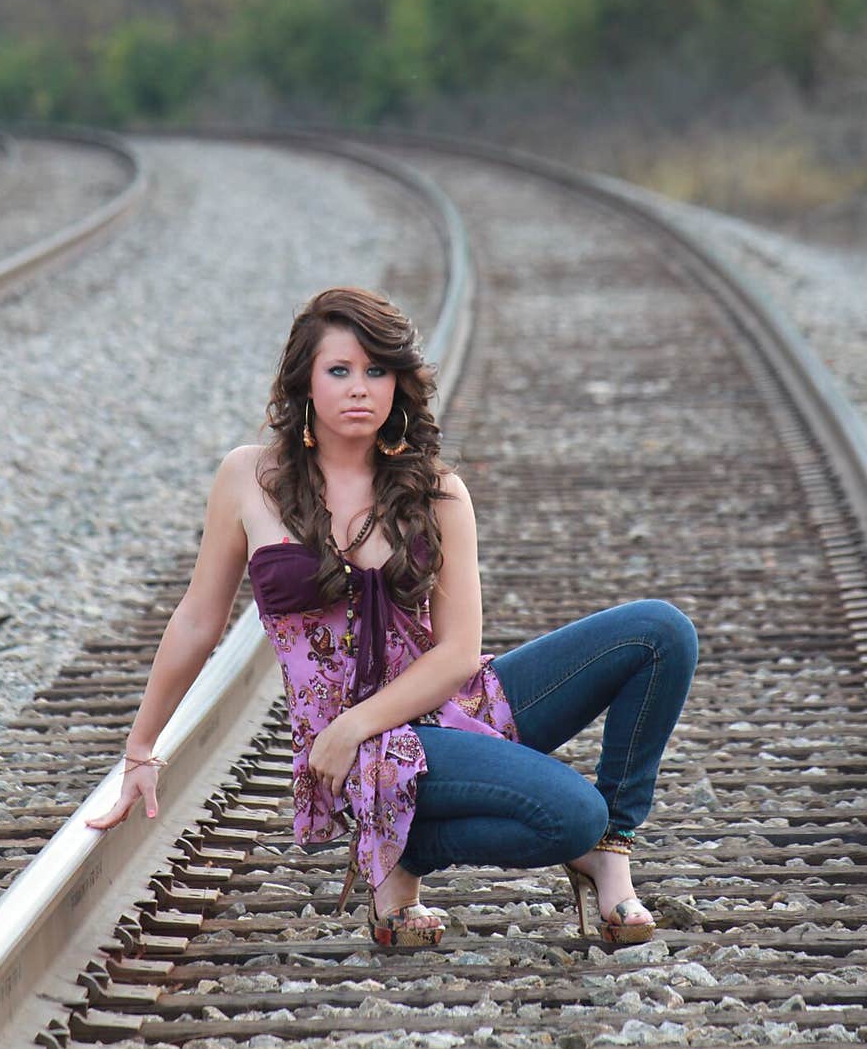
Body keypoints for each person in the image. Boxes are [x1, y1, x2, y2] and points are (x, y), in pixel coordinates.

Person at [89, 285, 699, 950]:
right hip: (365, 754)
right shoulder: (248, 479)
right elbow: (197, 621)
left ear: (399, 384)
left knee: (660, 632)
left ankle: (612, 846)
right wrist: (141, 750)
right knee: (569, 816)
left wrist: (355, 721)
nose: (360, 388)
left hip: (444, 703)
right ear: (305, 384)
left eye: (377, 371)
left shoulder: (435, 489)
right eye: (340, 370)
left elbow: (460, 652)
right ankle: (402, 848)